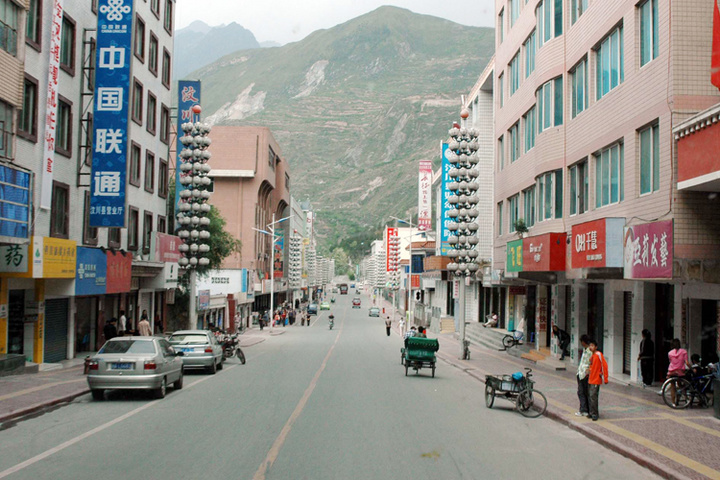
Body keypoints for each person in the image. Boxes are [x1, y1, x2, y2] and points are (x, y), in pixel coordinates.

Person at [587, 339, 609, 421]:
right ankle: (591, 412)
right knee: (590, 396)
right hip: (591, 379)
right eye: (590, 346)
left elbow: (604, 366)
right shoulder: (592, 356)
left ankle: (595, 414)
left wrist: (605, 378)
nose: (590, 347)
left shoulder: (598, 354)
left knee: (593, 396)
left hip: (596, 379)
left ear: (596, 347)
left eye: (592, 346)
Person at [575, 334, 592, 417]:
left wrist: (587, 372)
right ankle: (585, 409)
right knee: (581, 392)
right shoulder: (585, 350)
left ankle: (584, 410)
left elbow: (590, 363)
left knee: (582, 392)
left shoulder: (589, 351)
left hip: (584, 375)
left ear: (584, 342)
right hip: (580, 373)